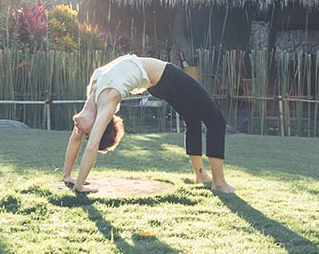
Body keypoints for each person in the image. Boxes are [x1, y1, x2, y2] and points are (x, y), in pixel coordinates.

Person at [62, 54, 236, 194]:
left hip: (159, 81)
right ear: (101, 123)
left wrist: (68, 176)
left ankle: (201, 176)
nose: (80, 132)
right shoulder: (105, 103)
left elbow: (80, 141)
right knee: (216, 121)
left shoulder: (94, 91)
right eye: (87, 134)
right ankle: (219, 183)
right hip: (165, 76)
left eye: (86, 134)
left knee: (193, 120)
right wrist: (77, 184)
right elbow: (91, 147)